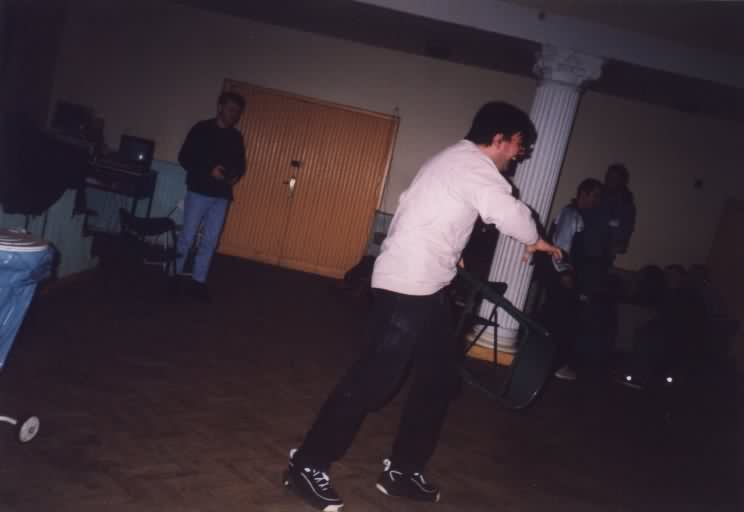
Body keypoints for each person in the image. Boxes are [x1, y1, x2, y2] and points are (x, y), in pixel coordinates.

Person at [283, 102, 561, 511]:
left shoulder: (452, 161)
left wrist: (451, 253)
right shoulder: (473, 166)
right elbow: (509, 213)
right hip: (408, 286)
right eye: (519, 144)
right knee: (373, 381)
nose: (521, 154)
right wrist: (535, 240)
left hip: (428, 286)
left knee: (439, 379)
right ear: (499, 138)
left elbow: (424, 213)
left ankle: (403, 470)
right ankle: (307, 464)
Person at [174, 91, 247, 301]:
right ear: (220, 107)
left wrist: (236, 175)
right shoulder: (201, 129)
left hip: (222, 195)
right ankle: (174, 276)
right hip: (198, 191)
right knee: (187, 237)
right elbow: (184, 157)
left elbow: (241, 165)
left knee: (210, 241)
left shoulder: (236, 137)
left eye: (238, 112)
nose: (234, 115)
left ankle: (198, 281)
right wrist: (209, 170)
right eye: (231, 109)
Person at [536, 178, 603, 381]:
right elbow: (560, 246)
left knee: (555, 318)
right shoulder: (572, 214)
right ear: (583, 194)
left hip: (560, 275)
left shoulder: (576, 215)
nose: (597, 201)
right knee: (561, 321)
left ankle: (545, 362)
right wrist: (565, 273)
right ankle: (555, 364)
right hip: (560, 276)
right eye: (595, 196)